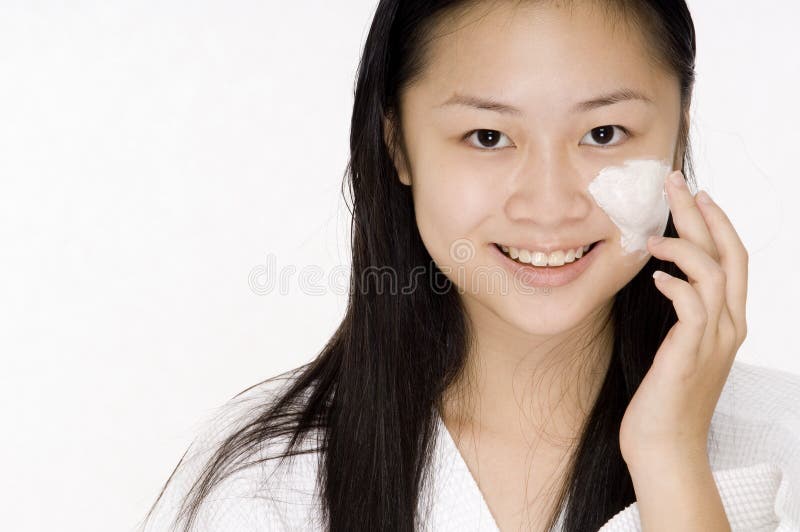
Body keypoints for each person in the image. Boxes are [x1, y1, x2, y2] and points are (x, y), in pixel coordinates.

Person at [138, 1, 800, 531]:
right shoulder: (270, 483)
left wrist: (670, 459)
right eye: (488, 137)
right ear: (399, 145)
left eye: (603, 134)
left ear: (676, 136)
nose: (549, 205)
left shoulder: (784, 438)